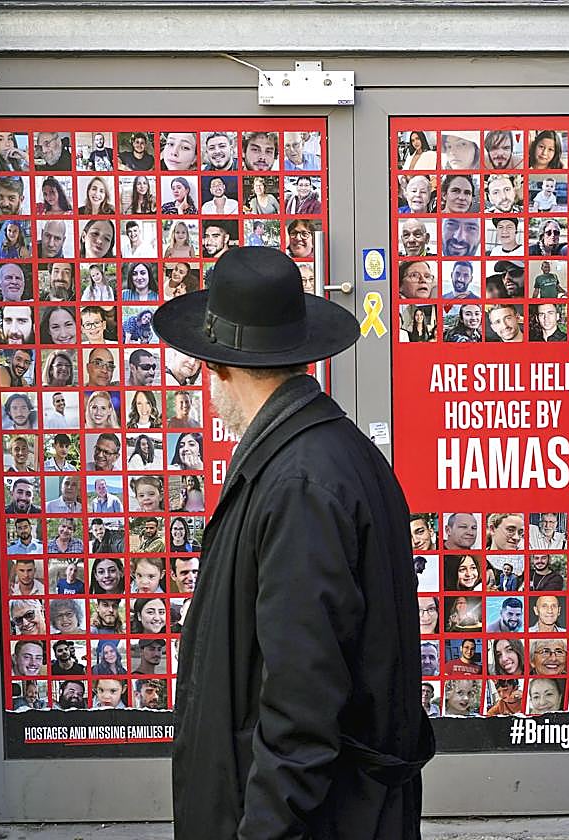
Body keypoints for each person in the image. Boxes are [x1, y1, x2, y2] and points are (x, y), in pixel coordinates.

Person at [152, 247, 431, 834]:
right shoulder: (319, 453)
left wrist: (266, 829)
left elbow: (301, 702)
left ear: (219, 368)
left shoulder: (300, 483)